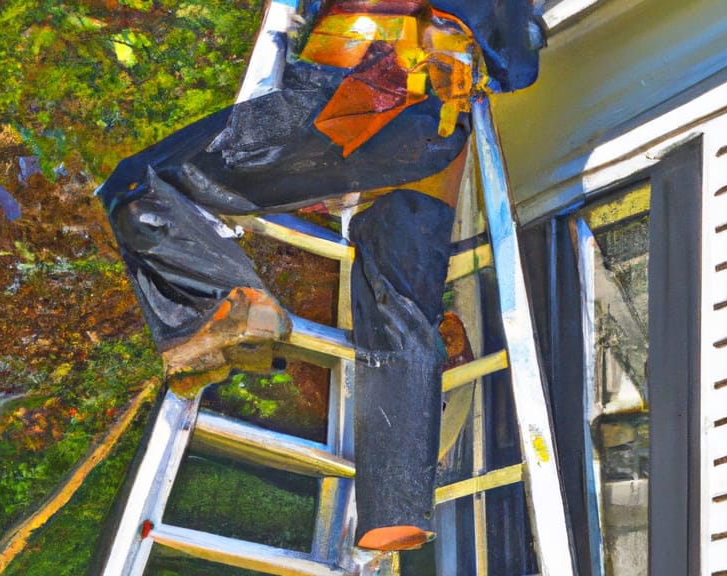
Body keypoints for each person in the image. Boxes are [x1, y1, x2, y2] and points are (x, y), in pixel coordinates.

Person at [96, 0, 543, 552]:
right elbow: (518, 57)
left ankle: (233, 306)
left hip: (364, 92)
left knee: (137, 185)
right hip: (439, 130)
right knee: (401, 306)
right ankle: (394, 511)